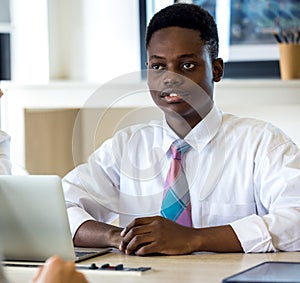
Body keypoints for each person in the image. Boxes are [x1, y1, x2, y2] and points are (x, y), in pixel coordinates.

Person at [62, 3, 300, 255]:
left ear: (216, 70)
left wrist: (195, 239)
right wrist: (121, 237)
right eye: (158, 66)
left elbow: (296, 217)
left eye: (187, 65)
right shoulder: (126, 146)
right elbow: (59, 208)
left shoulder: (262, 144)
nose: (170, 78)